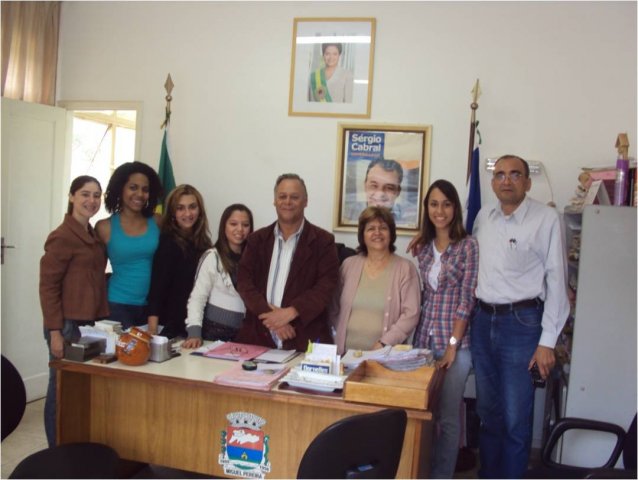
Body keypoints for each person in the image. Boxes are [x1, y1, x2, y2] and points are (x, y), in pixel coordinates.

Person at [471, 154, 569, 478]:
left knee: (515, 418)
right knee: (488, 414)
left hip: (522, 325)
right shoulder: (484, 217)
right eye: (499, 174)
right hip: (483, 323)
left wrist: (547, 341)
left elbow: (557, 282)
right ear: (492, 181)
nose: (506, 180)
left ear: (527, 182)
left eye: (515, 175)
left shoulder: (546, 219)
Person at [411, 179, 479, 478]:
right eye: (434, 204)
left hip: (456, 346)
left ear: (455, 208)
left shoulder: (468, 246)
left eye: (446, 204)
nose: (440, 210)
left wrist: (452, 344)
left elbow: (467, 298)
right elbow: (424, 294)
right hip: (423, 342)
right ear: (427, 208)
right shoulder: (422, 247)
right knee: (423, 414)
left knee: (449, 418)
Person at [39, 175, 109, 446]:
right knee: (60, 391)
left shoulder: (91, 234)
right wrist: (55, 332)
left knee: (79, 393)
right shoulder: (62, 236)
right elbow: (48, 287)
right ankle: (55, 450)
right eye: (84, 194)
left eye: (96, 195)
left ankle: (74, 447)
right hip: (66, 325)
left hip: (88, 323)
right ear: (71, 197)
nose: (91, 201)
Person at [235, 173, 339, 351]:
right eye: (282, 196)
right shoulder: (256, 240)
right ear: (275, 201)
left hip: (305, 340)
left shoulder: (324, 241)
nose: (288, 202)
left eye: (294, 197)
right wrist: (274, 319)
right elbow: (244, 282)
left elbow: (326, 286)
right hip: (258, 337)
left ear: (306, 201)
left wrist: (290, 313)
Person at [330, 206, 420, 355]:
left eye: (383, 228)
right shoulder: (348, 265)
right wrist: (337, 334)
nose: (377, 233)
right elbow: (333, 307)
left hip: (385, 356)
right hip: (345, 355)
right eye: (371, 228)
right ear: (362, 235)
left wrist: (384, 343)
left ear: (391, 234)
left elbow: (411, 315)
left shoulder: (405, 269)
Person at [95, 161, 162, 329]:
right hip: (117, 306)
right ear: (121, 189)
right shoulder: (104, 227)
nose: (140, 194)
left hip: (152, 307)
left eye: (145, 189)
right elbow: (95, 271)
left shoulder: (158, 222)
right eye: (133, 187)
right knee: (122, 355)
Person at [182, 204, 254, 348]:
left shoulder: (254, 258)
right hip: (212, 334)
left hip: (243, 336)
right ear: (223, 226)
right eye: (233, 224)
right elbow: (198, 297)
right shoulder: (212, 257)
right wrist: (194, 332)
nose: (239, 229)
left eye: (245, 225)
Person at [146, 185, 213, 339]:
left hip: (196, 322)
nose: (188, 213)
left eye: (192, 207)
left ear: (200, 210)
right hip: (172, 326)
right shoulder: (168, 243)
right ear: (172, 213)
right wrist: (152, 331)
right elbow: (157, 289)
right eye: (180, 208)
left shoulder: (204, 243)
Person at [344, 158, 417, 226]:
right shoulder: (348, 215)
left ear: (398, 192)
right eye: (374, 186)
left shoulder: (409, 219)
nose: (380, 194)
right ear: (365, 186)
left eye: (389, 188)